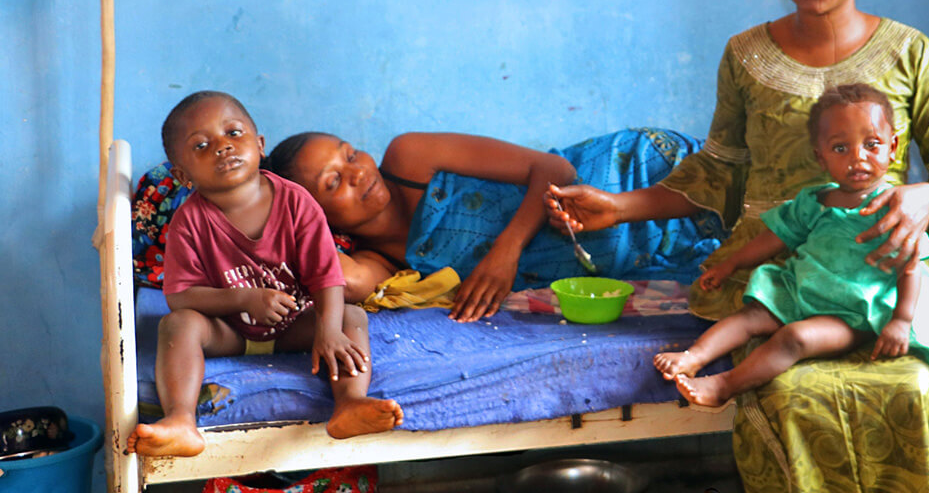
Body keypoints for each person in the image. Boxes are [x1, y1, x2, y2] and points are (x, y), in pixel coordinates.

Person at [545, 0, 929, 491]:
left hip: (882, 281)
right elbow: (717, 170)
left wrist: (924, 197)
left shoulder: (910, 53)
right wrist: (619, 207)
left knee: (913, 386)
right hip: (776, 276)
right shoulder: (746, 56)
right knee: (786, 388)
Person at [127, 91, 402, 458]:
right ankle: (180, 420)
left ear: (259, 145)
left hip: (295, 324)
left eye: (234, 133)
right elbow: (181, 296)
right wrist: (242, 298)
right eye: (202, 145)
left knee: (350, 317)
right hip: (228, 330)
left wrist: (328, 330)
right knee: (176, 326)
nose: (223, 148)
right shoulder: (189, 222)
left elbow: (326, 275)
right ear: (183, 175)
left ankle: (351, 403)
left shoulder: (297, 202)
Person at [654, 84, 929, 412]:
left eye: (872, 145)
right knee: (750, 315)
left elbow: (910, 266)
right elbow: (773, 239)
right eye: (841, 148)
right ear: (820, 156)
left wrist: (901, 320)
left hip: (852, 313)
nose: (858, 157)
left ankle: (724, 385)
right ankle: (693, 357)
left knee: (795, 338)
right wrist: (731, 264)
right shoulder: (814, 200)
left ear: (893, 147)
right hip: (802, 293)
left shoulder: (896, 207)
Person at [266, 127, 724, 323]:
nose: (358, 172)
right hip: (651, 249)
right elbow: (331, 274)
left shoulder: (408, 158)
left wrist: (505, 253)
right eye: (334, 182)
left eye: (350, 154)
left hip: (635, 173)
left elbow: (554, 168)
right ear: (315, 215)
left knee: (774, 198)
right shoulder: (381, 267)